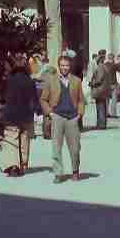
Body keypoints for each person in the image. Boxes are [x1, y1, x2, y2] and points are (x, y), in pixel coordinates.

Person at [40, 55, 86, 183]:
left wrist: (80, 114)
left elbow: (82, 100)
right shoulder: (51, 80)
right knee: (56, 147)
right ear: (58, 66)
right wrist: (50, 113)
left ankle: (75, 171)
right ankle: (58, 173)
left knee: (75, 148)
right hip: (57, 116)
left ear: (70, 66)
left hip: (72, 117)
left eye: (67, 65)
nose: (64, 68)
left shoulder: (76, 81)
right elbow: (43, 99)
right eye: (62, 65)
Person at [3, 54, 40, 176]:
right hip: (26, 114)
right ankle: (23, 164)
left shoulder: (8, 80)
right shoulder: (29, 81)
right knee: (24, 138)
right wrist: (37, 110)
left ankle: (14, 165)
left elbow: (2, 98)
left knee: (11, 138)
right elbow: (35, 99)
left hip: (10, 114)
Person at [89, 50, 114, 130]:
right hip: (105, 89)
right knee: (103, 107)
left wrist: (92, 83)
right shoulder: (105, 67)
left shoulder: (100, 67)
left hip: (100, 90)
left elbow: (99, 79)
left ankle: (101, 124)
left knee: (100, 107)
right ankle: (102, 124)